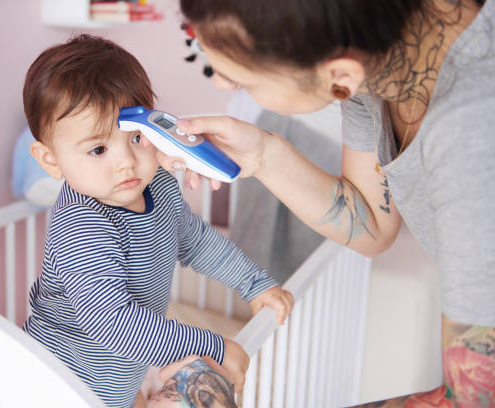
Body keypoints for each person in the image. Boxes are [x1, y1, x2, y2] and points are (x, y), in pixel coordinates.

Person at [150, 0, 495, 406]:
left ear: (339, 76)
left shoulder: (472, 135)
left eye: (244, 81)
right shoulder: (380, 55)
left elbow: (476, 399)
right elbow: (371, 223)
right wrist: (263, 156)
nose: (223, 85)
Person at [21, 34, 294, 408]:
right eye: (99, 149)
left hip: (114, 382)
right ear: (51, 161)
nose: (126, 162)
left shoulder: (160, 186)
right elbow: (112, 321)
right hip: (53, 387)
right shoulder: (82, 225)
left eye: (136, 138)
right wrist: (210, 346)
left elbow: (197, 242)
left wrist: (254, 284)